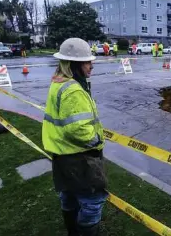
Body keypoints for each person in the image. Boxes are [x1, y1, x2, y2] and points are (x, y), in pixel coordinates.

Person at [43, 38, 107, 236]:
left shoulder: (58, 83)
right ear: (75, 65)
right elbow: (77, 130)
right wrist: (96, 140)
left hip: (62, 154)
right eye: (88, 62)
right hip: (79, 158)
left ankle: (73, 230)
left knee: (69, 196)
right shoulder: (73, 90)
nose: (92, 66)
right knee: (93, 201)